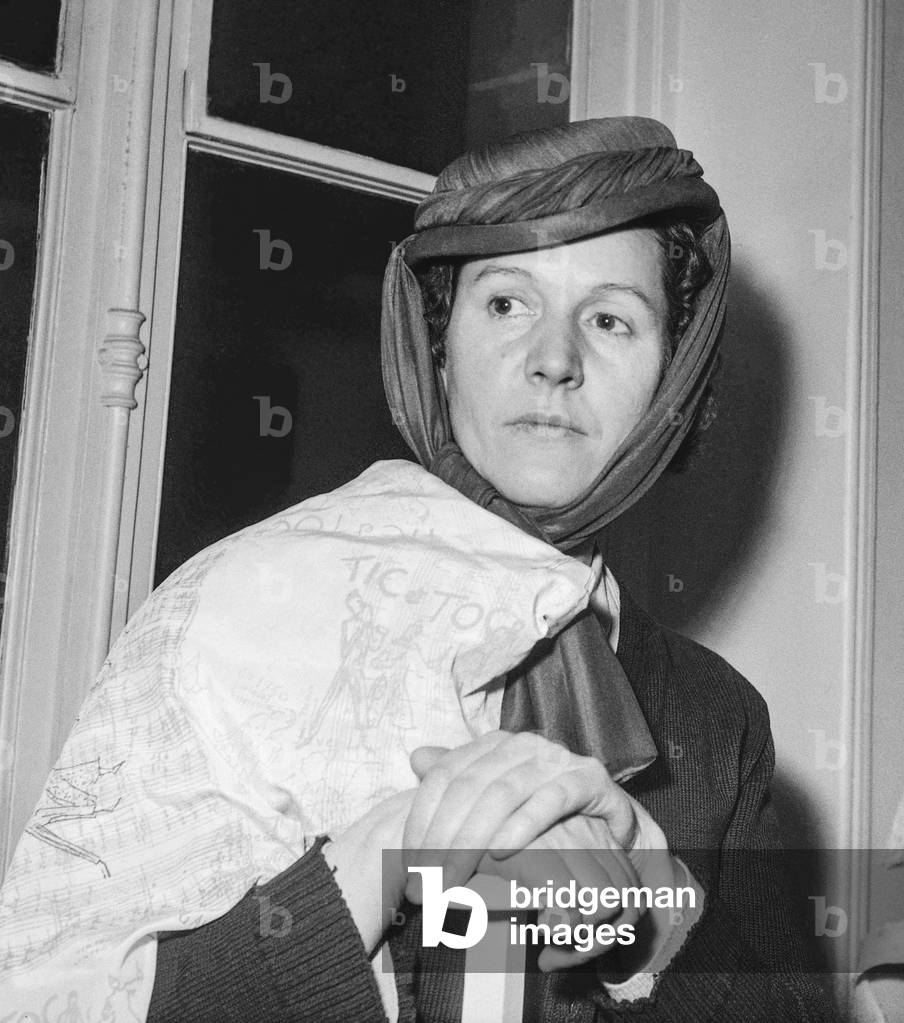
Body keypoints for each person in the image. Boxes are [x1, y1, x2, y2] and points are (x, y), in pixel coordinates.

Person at [139, 117, 840, 1021]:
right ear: (437, 344)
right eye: (506, 303)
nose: (554, 360)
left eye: (611, 319)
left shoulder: (716, 717)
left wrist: (653, 914)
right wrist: (377, 857)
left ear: (671, 379)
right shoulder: (234, 613)